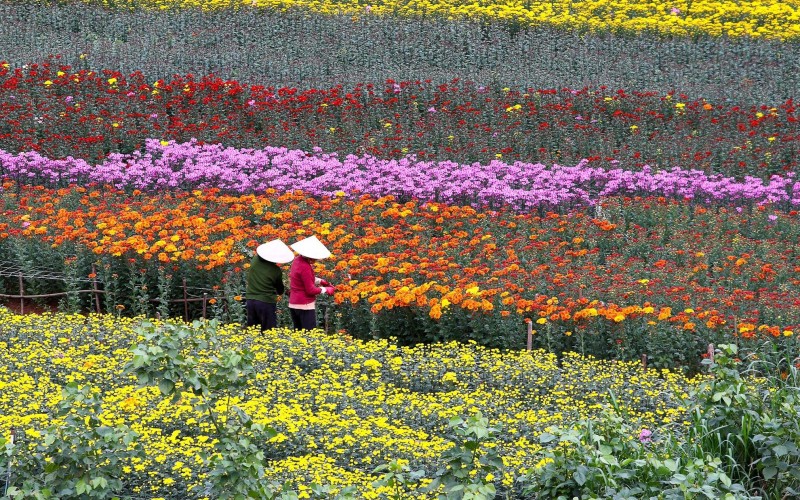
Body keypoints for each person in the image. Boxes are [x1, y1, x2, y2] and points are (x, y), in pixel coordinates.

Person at [245, 239, 294, 332]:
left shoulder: (255, 260)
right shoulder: (275, 270)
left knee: (252, 330)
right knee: (268, 331)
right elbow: (280, 290)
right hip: (266, 302)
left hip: (250, 299)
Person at [288, 235, 334, 330]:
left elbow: (302, 278)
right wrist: (325, 289)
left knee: (298, 334)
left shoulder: (297, 261)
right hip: (304, 305)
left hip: (294, 303)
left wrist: (320, 281)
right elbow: (311, 290)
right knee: (310, 334)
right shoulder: (305, 266)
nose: (316, 259)